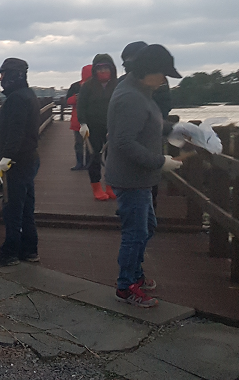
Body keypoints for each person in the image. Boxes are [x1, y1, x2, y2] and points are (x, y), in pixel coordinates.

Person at [106, 44, 183, 308]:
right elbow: (124, 142)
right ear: (147, 71)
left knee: (146, 227)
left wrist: (177, 130)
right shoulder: (130, 97)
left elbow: (151, 123)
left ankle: (135, 274)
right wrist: (161, 162)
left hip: (141, 178)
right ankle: (126, 287)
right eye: (162, 74)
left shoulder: (140, 90)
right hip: (131, 178)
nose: (164, 80)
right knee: (135, 233)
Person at [0, 58, 41, 268]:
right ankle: (29, 249)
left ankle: (10, 251)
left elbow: (17, 131)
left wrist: (7, 157)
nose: (1, 78)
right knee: (25, 207)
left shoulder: (17, 99)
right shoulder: (28, 95)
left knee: (13, 207)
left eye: (3, 74)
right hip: (28, 159)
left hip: (17, 162)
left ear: (14, 75)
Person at [120, 41, 174, 208]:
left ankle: (151, 204)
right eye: (125, 60)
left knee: (149, 169)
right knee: (130, 168)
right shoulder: (124, 82)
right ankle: (129, 204)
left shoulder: (157, 81)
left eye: (130, 58)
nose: (127, 63)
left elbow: (165, 105)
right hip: (131, 134)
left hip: (150, 134)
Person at [77, 53, 119, 201]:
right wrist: (82, 123)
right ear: (95, 70)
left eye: (106, 68)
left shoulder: (118, 85)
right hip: (92, 127)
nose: (103, 71)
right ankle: (96, 187)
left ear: (112, 69)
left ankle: (110, 186)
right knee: (94, 156)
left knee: (113, 157)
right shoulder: (88, 85)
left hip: (113, 126)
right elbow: (81, 106)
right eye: (99, 68)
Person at [66, 65, 93, 170]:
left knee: (90, 143)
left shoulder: (97, 86)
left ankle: (88, 163)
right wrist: (75, 98)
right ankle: (80, 162)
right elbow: (67, 101)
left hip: (91, 120)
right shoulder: (75, 86)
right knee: (79, 143)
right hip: (78, 120)